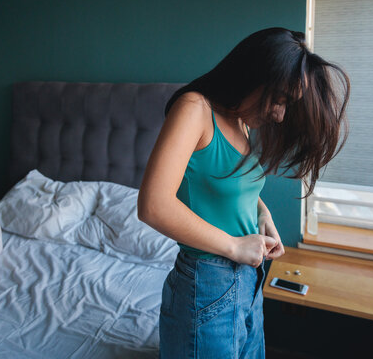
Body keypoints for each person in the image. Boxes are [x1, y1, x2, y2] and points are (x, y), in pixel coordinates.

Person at [137, 27, 350, 359]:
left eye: (287, 104)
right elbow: (153, 205)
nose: (279, 114)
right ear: (253, 75)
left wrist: (261, 215)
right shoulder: (194, 109)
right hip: (206, 284)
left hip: (247, 284)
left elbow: (231, 185)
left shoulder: (242, 121)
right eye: (278, 99)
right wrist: (235, 245)